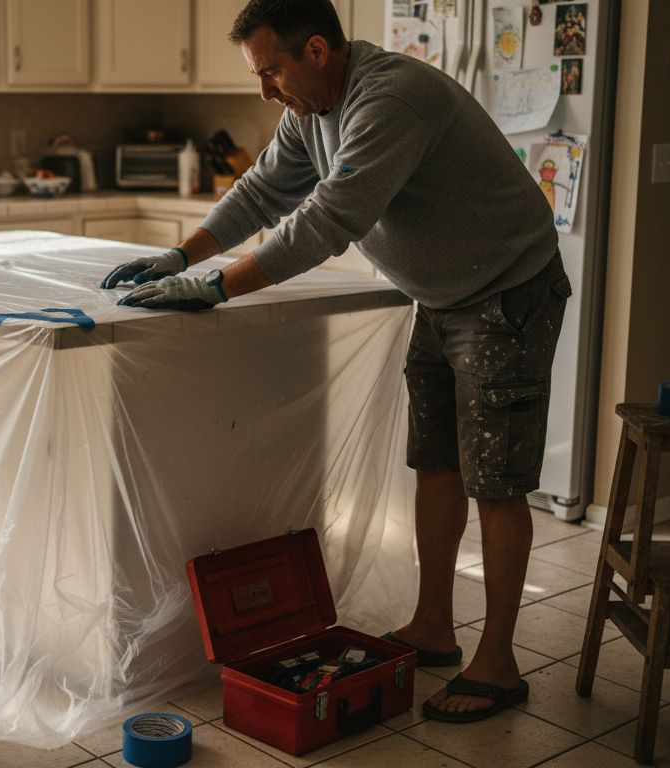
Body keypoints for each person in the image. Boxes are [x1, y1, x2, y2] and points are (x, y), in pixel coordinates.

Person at [100, 0, 571, 723]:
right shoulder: (310, 111)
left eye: (272, 72)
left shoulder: (391, 100)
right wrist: (182, 254)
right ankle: (435, 627)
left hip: (506, 291)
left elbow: (329, 219)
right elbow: (263, 192)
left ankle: (500, 664)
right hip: (442, 296)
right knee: (438, 464)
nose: (266, 91)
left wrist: (217, 285)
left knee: (497, 482)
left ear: (317, 50)